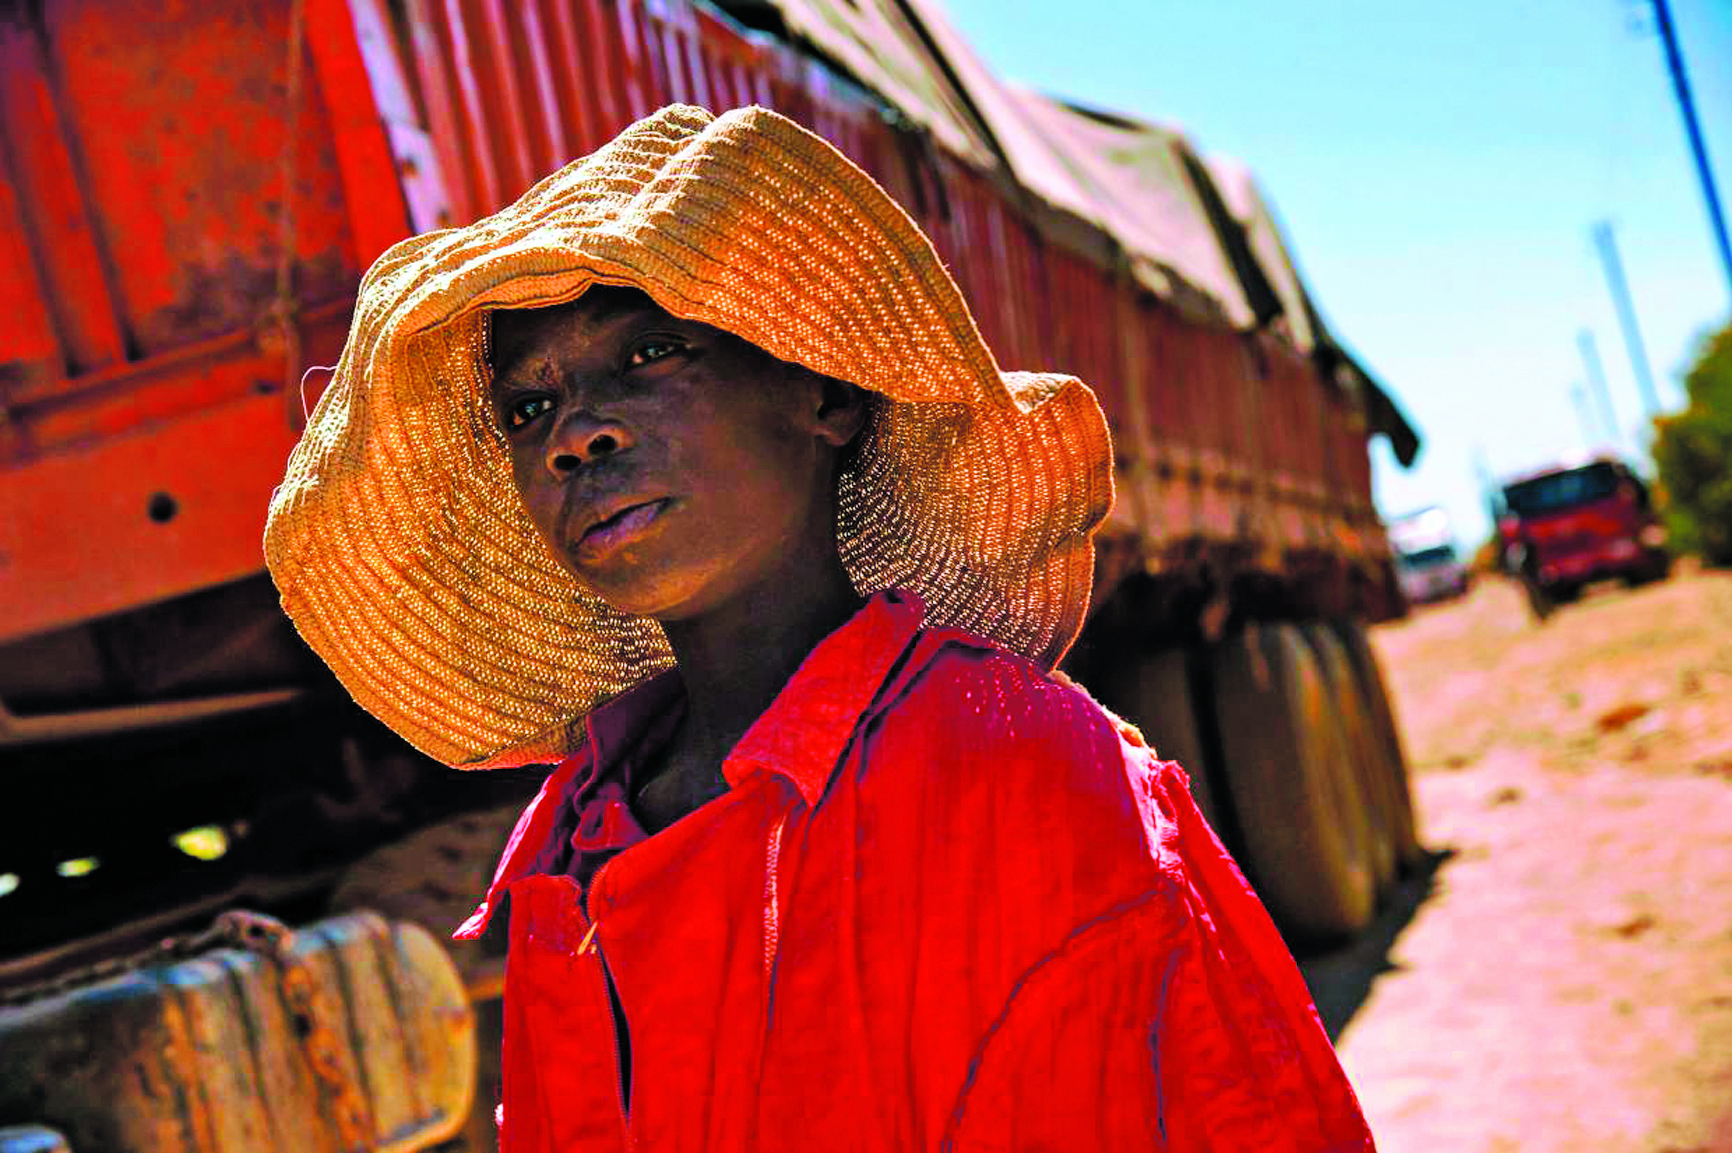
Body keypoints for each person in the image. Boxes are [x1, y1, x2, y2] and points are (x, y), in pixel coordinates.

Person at [266, 104, 1374, 1152]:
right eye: (528, 409)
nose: (575, 435)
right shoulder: (574, 852)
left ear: (824, 397)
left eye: (649, 355)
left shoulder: (1025, 769)